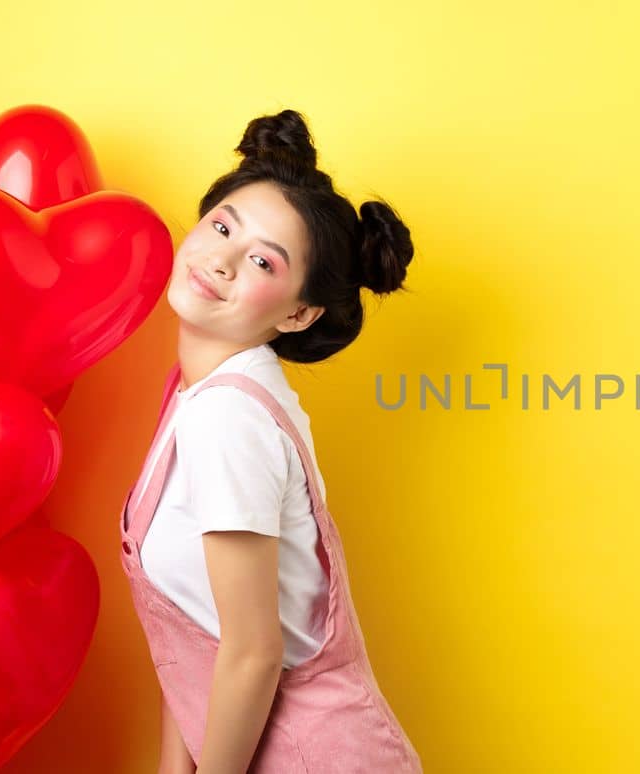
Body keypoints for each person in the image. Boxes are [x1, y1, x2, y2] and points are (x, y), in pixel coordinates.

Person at [117, 108, 423, 773]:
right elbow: (200, 629)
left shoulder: (230, 419)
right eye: (222, 225)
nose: (221, 259)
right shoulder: (201, 394)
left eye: (261, 260)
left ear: (299, 313)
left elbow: (253, 652)